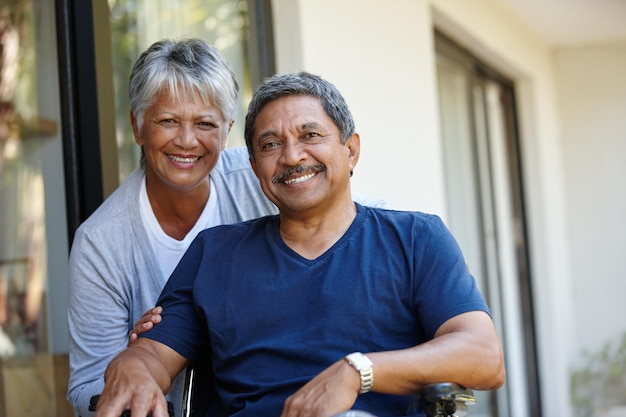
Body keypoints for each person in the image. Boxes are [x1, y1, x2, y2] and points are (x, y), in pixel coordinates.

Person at [93, 71, 505, 417]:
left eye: (310, 134)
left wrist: (357, 371)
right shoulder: (214, 253)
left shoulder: (415, 239)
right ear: (255, 167)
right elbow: (153, 357)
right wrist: (132, 368)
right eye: (270, 145)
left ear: (351, 151)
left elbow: (483, 356)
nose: (291, 156)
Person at [66, 38, 280, 417]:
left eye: (205, 123)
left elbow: (340, 219)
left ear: (228, 129)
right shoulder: (101, 243)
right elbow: (86, 388)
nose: (186, 141)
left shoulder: (260, 183)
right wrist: (135, 361)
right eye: (167, 121)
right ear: (137, 125)